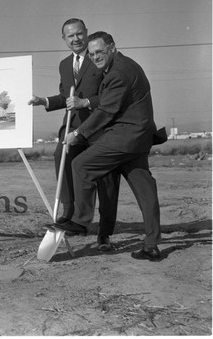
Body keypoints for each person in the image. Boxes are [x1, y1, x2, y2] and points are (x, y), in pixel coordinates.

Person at [54, 31, 163, 261]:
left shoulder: (117, 73)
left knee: (81, 165)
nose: (95, 56)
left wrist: (78, 133)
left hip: (125, 136)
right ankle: (151, 245)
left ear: (112, 47)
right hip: (139, 137)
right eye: (92, 53)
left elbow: (106, 111)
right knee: (145, 190)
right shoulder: (122, 66)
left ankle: (81, 221)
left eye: (100, 52)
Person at [28, 18, 120, 251]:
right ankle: (70, 216)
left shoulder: (98, 57)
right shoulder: (63, 64)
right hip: (73, 128)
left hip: (101, 128)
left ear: (86, 33)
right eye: (70, 36)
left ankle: (105, 233)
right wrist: (44, 101)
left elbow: (112, 95)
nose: (76, 39)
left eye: (79, 34)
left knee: (106, 179)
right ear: (64, 39)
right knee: (63, 159)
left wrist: (86, 102)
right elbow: (66, 97)